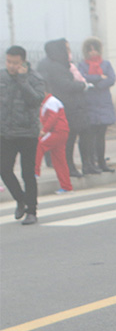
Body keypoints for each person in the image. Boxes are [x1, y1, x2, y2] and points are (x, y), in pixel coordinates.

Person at [1, 46, 45, 224]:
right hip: (5, 133)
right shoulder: (2, 77)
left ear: (23, 62)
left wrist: (22, 80)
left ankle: (32, 211)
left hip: (27, 133)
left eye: (15, 63)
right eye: (9, 62)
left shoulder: (35, 78)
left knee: (28, 173)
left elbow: (36, 100)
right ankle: (21, 199)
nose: (12, 66)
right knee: (4, 169)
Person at [37, 38, 89, 176]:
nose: (68, 52)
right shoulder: (57, 66)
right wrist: (82, 86)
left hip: (52, 106)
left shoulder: (47, 64)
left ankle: (56, 163)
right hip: (64, 107)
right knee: (67, 140)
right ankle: (68, 168)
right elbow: (65, 85)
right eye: (66, 48)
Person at [77, 38, 116, 173]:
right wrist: (99, 77)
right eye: (90, 50)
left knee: (101, 136)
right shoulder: (82, 65)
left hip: (103, 103)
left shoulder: (106, 64)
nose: (93, 52)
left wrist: (96, 83)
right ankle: (91, 162)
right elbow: (83, 78)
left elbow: (111, 78)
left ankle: (101, 161)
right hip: (90, 103)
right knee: (90, 135)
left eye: (95, 49)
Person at [35, 93, 72, 194]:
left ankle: (35, 171)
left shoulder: (50, 102)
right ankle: (66, 186)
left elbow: (52, 117)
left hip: (56, 131)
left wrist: (44, 130)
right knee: (59, 160)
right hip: (61, 132)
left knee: (39, 144)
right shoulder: (50, 101)